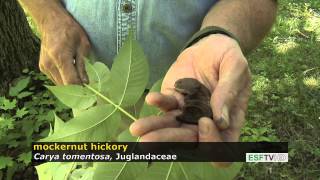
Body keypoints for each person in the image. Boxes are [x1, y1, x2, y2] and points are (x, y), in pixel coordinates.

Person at [20, 0, 277, 167]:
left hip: (196, 85)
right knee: (107, 169)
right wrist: (48, 16)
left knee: (188, 168)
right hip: (96, 88)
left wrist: (218, 34)